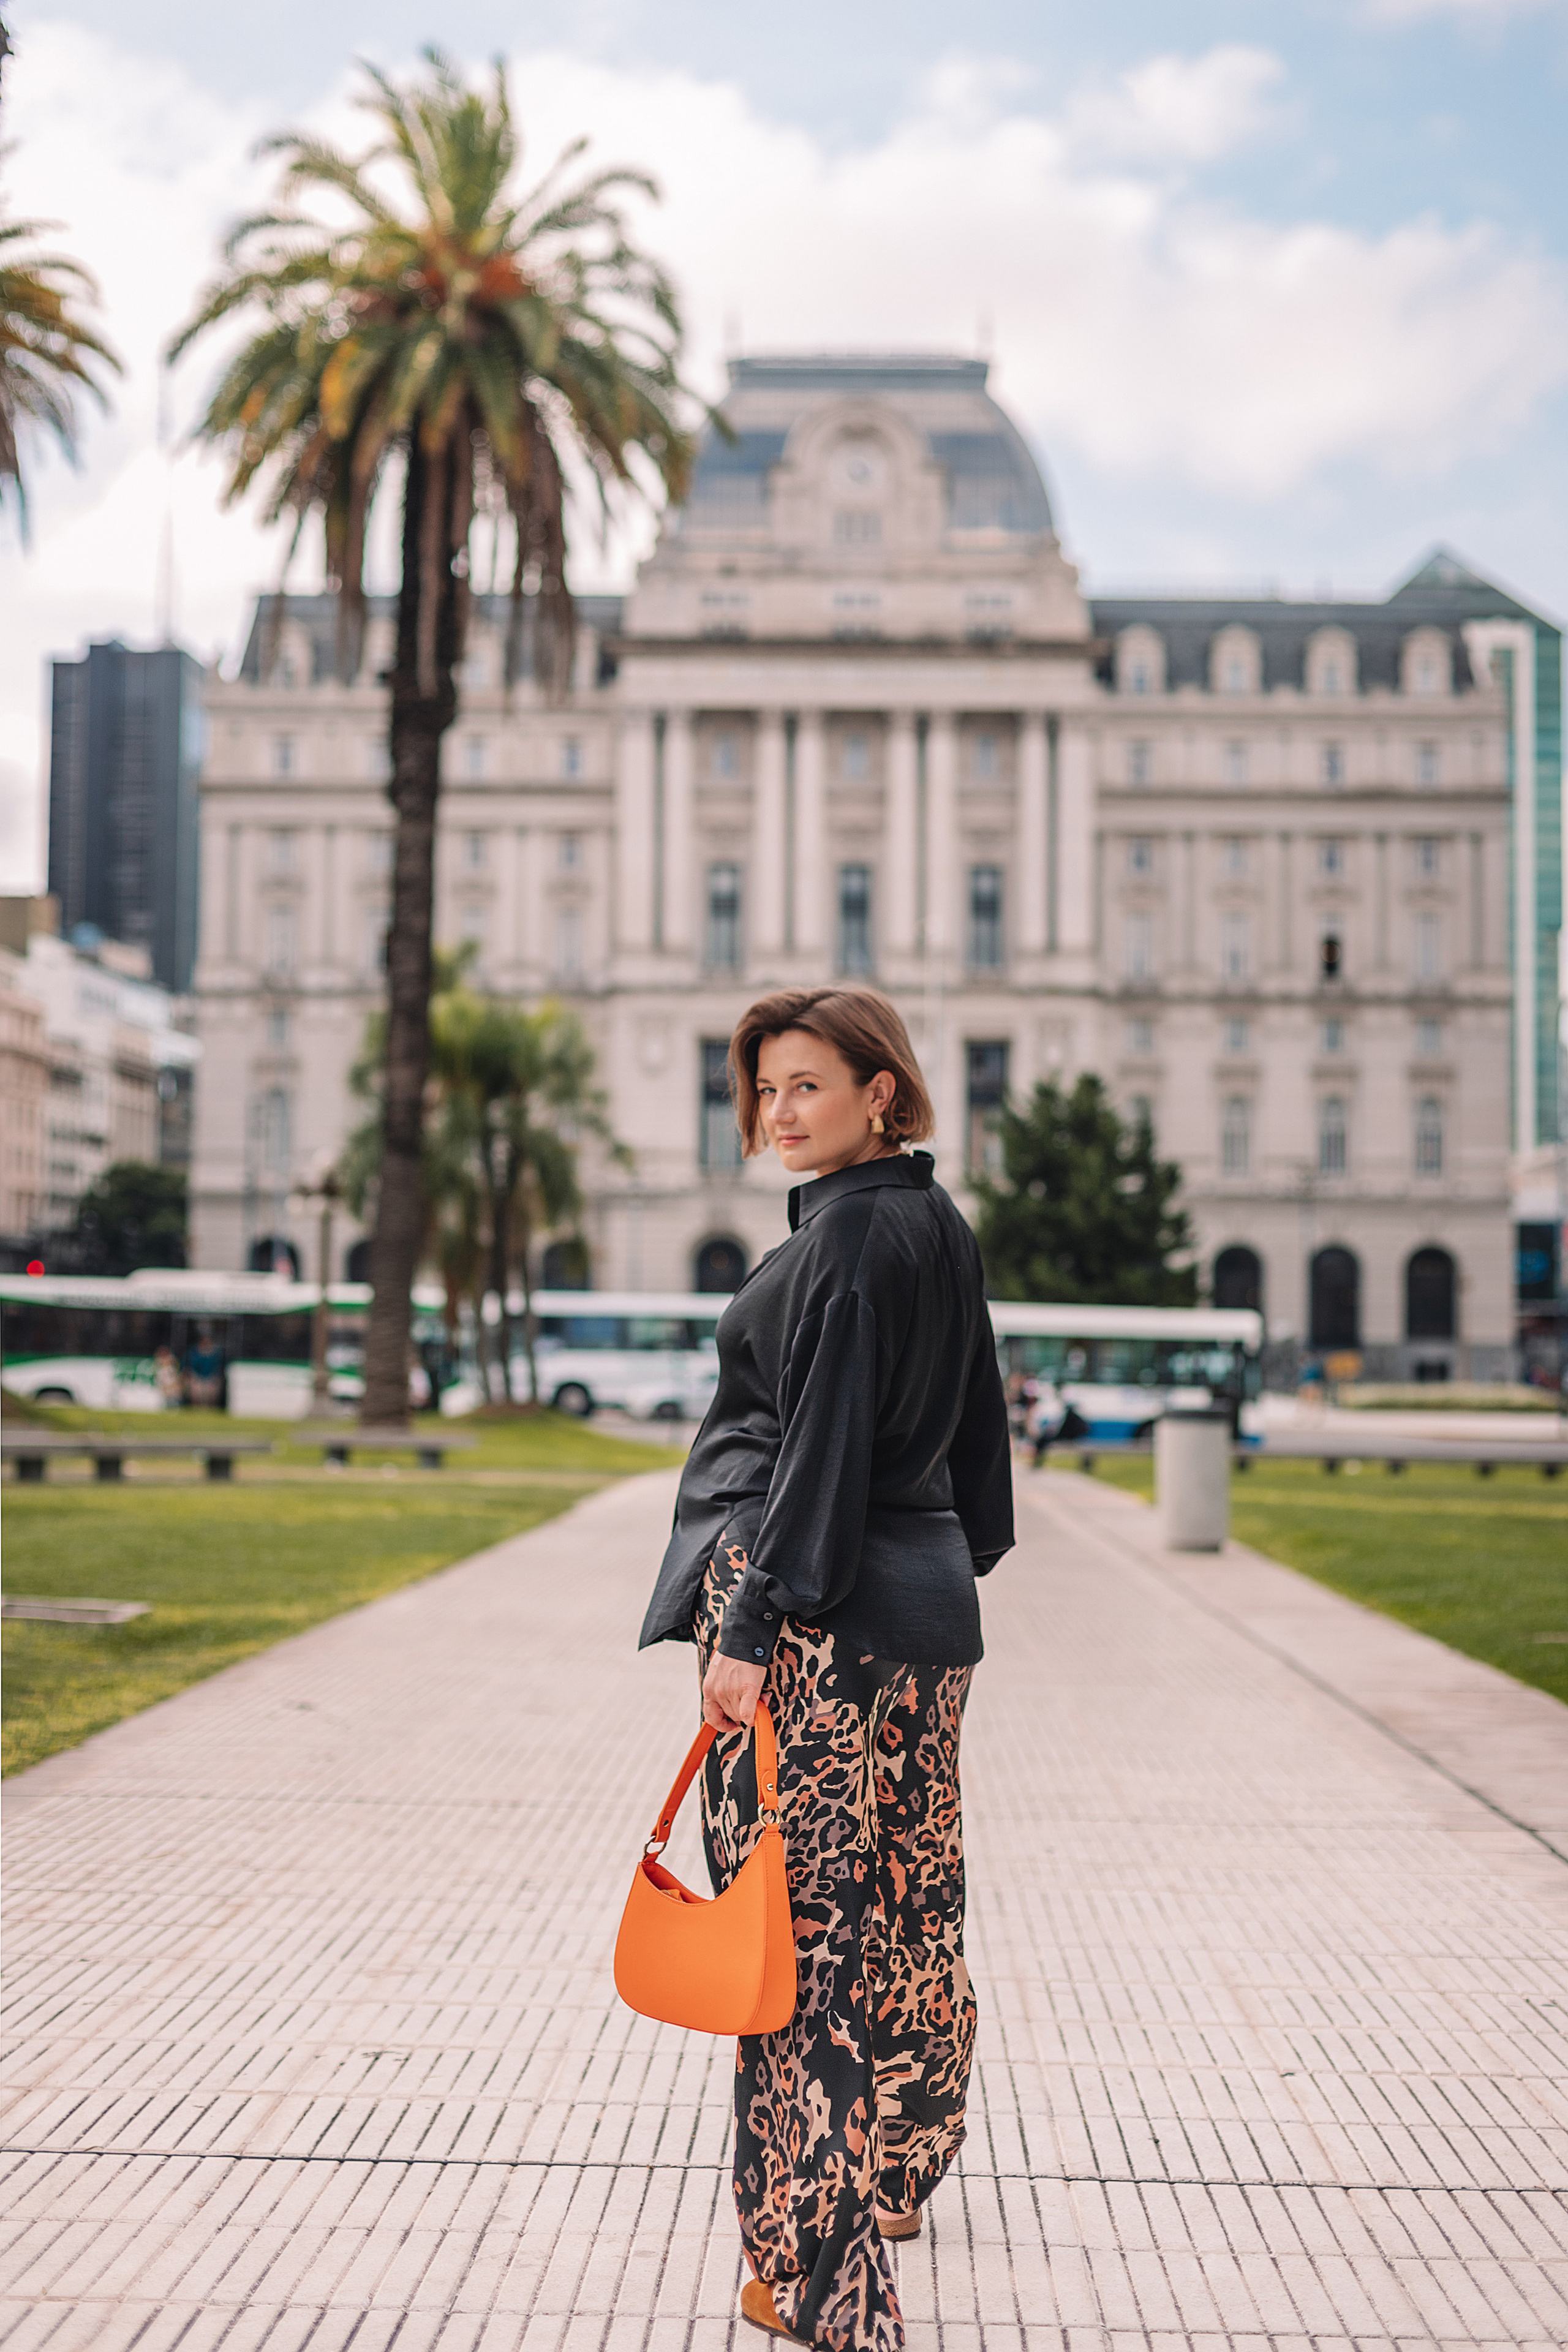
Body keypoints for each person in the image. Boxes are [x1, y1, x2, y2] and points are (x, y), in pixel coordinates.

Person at [639, 987, 1014, 2352]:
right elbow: (979, 1439)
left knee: (794, 1944)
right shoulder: (934, 1222)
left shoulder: (847, 1237)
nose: (779, 1112)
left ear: (880, 1093)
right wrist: (945, 1566)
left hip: (810, 1622)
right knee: (911, 1901)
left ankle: (816, 2275)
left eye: (808, 1085)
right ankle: (903, 2164)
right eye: (765, 1089)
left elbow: (820, 1446)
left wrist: (750, 1630)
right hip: (920, 1615)